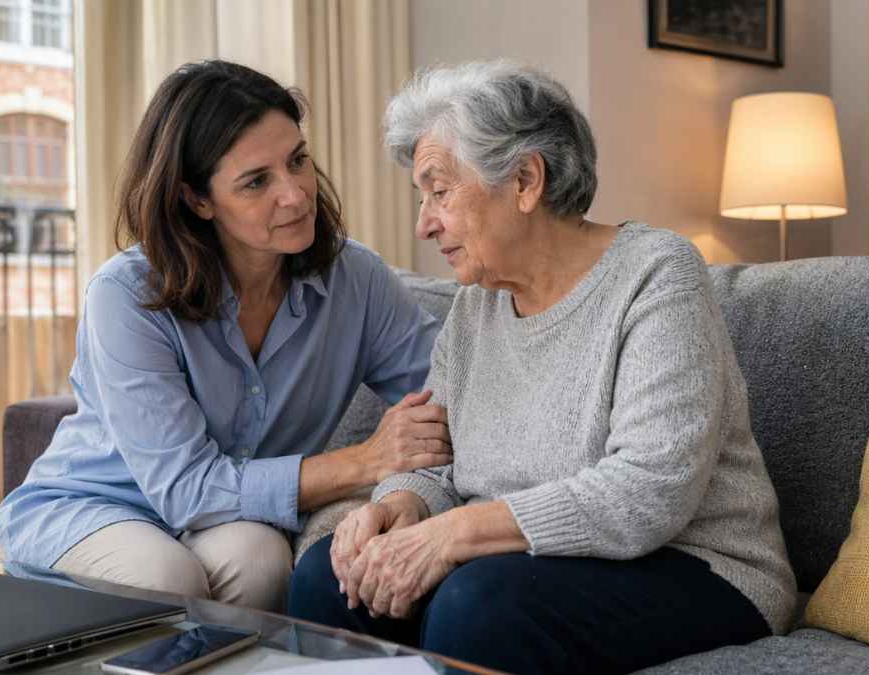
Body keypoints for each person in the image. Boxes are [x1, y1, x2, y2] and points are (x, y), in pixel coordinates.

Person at [288, 60, 797, 674]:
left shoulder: (657, 275)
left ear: (526, 180)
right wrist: (398, 508)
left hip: (697, 563)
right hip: (523, 562)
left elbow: (650, 492)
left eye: (440, 190)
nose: (424, 223)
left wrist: (452, 536)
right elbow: (436, 460)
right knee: (327, 576)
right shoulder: (477, 304)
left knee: (480, 605)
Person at [0, 60, 450, 613]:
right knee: (164, 577)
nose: (297, 195)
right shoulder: (126, 295)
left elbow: (449, 384)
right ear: (197, 199)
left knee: (260, 561)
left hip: (222, 520)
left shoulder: (356, 279)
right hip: (92, 505)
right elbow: (187, 490)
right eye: (258, 181)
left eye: (297, 161)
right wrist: (366, 461)